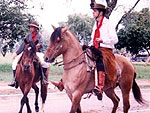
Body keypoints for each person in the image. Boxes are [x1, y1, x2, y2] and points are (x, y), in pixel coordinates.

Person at [51, 0, 118, 100]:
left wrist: (103, 40)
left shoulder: (108, 24)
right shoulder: (96, 25)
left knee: (99, 62)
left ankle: (100, 86)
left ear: (101, 12)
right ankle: (63, 82)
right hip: (95, 47)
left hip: (105, 49)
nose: (93, 13)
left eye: (95, 11)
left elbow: (115, 39)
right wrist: (87, 46)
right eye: (93, 11)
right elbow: (92, 38)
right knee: (78, 57)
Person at [8, 21, 49, 88]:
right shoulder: (28, 36)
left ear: (36, 28)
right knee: (14, 62)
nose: (31, 28)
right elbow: (22, 45)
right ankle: (15, 80)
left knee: (44, 63)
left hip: (36, 52)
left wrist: (38, 45)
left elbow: (41, 44)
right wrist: (16, 53)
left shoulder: (39, 36)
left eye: (32, 27)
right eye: (30, 27)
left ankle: (43, 79)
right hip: (27, 52)